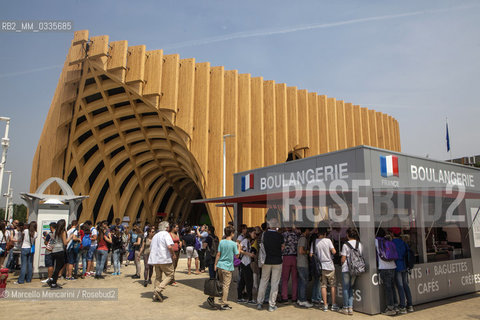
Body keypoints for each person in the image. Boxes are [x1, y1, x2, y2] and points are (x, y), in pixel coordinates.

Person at [256, 212, 285, 312]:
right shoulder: (280, 236)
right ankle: (271, 305)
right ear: (276, 225)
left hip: (266, 261)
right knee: (274, 283)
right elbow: (282, 248)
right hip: (277, 261)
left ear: (268, 225)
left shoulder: (264, 235)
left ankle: (259, 302)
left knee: (263, 281)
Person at [207, 225, 239, 310]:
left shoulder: (222, 242)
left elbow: (218, 254)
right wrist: (239, 247)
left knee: (219, 284)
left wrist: (215, 264)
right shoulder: (233, 243)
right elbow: (237, 255)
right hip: (228, 267)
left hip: (220, 266)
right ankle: (224, 303)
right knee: (225, 286)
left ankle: (212, 297)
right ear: (232, 233)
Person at [148, 221, 176, 302]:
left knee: (158, 276)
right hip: (164, 258)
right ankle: (158, 289)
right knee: (170, 274)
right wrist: (173, 254)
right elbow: (169, 246)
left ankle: (155, 294)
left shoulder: (155, 235)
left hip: (156, 259)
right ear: (166, 227)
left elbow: (151, 247)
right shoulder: (166, 234)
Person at [313, 227, 338, 312]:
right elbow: (334, 251)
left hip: (320, 266)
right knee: (332, 285)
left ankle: (325, 305)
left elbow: (311, 254)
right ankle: (334, 304)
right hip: (329, 265)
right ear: (325, 234)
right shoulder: (328, 241)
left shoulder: (315, 242)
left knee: (323, 285)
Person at [339, 228, 363, 315]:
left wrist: (342, 263)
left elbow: (343, 259)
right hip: (356, 269)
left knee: (345, 288)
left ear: (348, 235)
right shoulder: (359, 244)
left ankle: (345, 308)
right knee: (351, 288)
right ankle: (350, 308)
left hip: (346, 269)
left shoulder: (345, 245)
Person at [391, 228, 414, 314]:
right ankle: (410, 305)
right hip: (404, 265)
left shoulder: (392, 243)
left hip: (397, 266)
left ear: (392, 234)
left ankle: (403, 306)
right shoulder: (403, 242)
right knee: (405, 285)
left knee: (400, 286)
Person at [376, 228, 397, 316]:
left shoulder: (376, 241)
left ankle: (390, 308)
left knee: (388, 289)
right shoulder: (388, 240)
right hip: (393, 266)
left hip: (384, 267)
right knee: (392, 288)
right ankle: (395, 306)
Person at [49, 219, 74, 289]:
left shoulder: (55, 232)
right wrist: (70, 237)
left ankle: (52, 279)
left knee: (56, 266)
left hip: (54, 250)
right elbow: (65, 243)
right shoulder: (62, 232)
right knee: (59, 266)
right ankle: (53, 282)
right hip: (60, 250)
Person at [237, 227, 256, 304]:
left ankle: (240, 297)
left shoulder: (248, 241)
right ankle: (250, 298)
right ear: (250, 233)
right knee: (249, 281)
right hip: (245, 263)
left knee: (243, 281)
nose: (255, 235)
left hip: (245, 262)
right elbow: (240, 250)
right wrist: (249, 254)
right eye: (253, 233)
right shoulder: (245, 241)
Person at [280, 227, 299, 303]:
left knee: (285, 279)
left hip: (286, 257)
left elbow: (282, 246)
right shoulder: (296, 235)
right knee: (295, 279)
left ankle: (284, 296)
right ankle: (294, 297)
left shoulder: (283, 235)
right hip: (294, 257)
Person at [297, 227, 313, 308]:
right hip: (303, 263)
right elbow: (301, 251)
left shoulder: (300, 238)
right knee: (304, 282)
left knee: (301, 282)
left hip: (300, 263)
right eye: (308, 230)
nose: (309, 232)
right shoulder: (303, 239)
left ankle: (300, 299)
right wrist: (308, 252)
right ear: (306, 230)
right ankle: (303, 300)